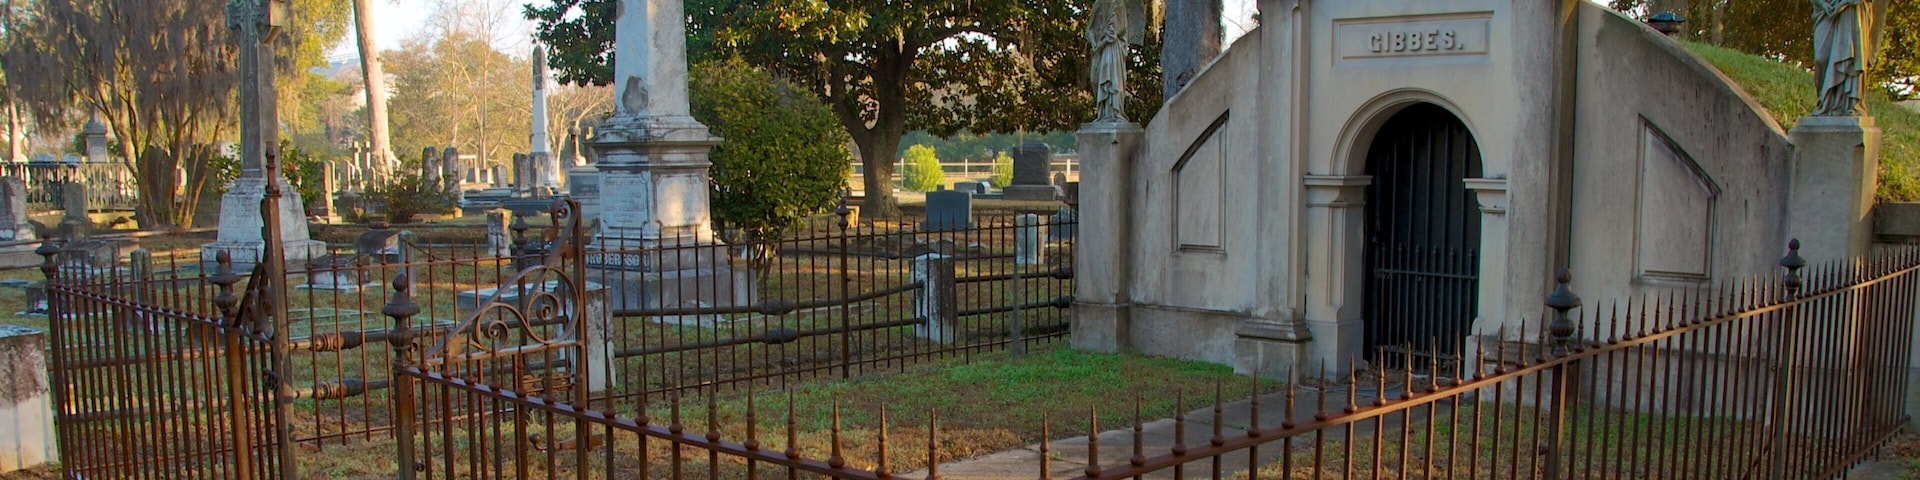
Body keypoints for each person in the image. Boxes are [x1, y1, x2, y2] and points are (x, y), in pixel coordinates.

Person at [1810, 0, 1886, 116]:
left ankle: (1848, 104)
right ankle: (1825, 102)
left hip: (1851, 11)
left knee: (1849, 54)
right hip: (1825, 11)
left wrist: (1843, 4)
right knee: (1821, 58)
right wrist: (1824, 5)